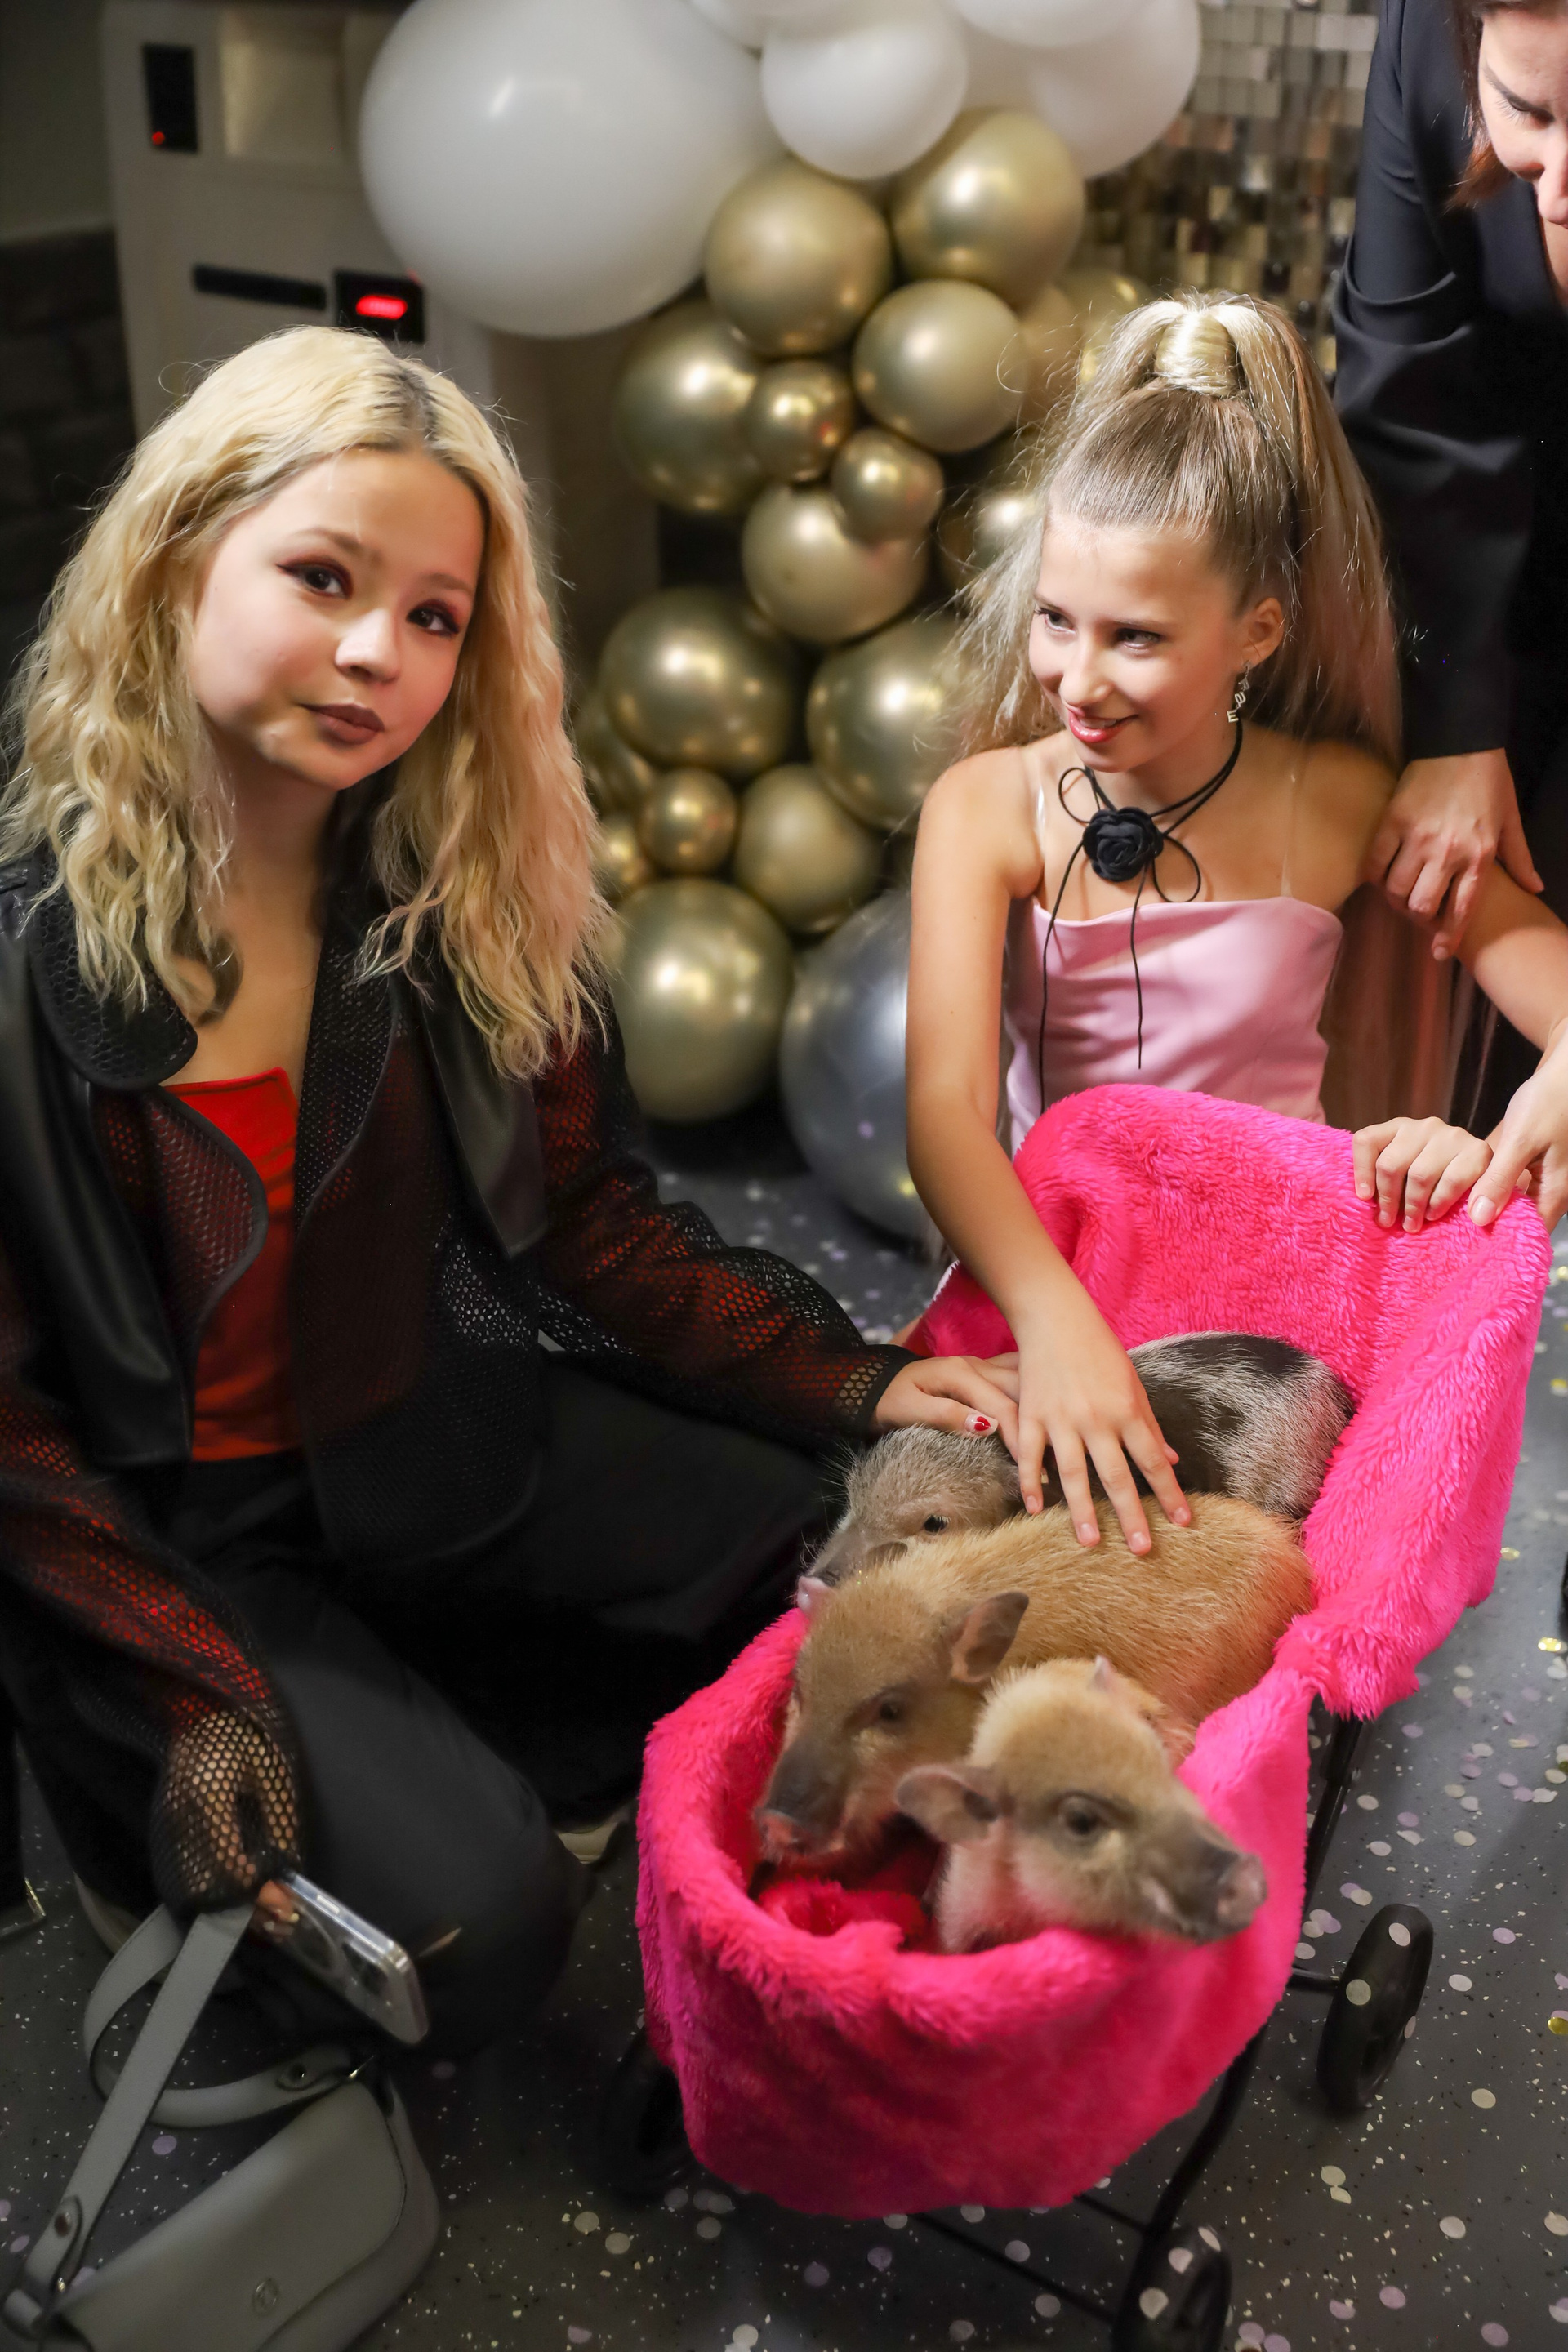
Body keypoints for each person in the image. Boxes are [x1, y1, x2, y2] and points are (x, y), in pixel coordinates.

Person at [0, 326, 1018, 2052]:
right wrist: (191, 1685)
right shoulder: (23, 959)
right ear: (176, 561)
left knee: (861, 1536)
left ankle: (424, 1723)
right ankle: (301, 1779)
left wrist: (848, 1380)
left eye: (434, 617)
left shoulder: (443, 890)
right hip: (180, 1544)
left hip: (432, 1438)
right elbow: (13, 1442)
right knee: (486, 1938)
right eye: (323, 577)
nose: (375, 653)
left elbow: (588, 1223)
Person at [906, 292, 1568, 1566]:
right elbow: (945, 1116)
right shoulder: (988, 809)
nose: (1079, 678)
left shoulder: (1339, 803)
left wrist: (1483, 1142)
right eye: (1056, 619)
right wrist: (1056, 1328)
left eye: (1137, 638)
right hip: (1060, 1276)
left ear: (1256, 631)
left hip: (1277, 1305)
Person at [1334, 0, 1568, 1126]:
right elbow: (1400, 387)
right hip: (1480, 579)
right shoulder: (1427, 26)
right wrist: (1457, 726)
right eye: (1528, 113)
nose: (1557, 192)